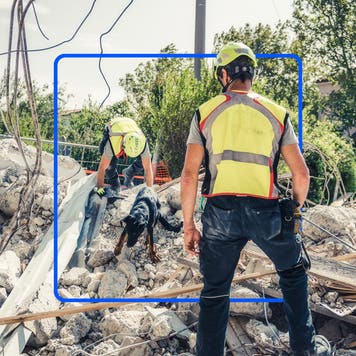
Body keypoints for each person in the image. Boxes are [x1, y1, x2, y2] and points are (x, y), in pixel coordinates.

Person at [181, 42, 331, 356]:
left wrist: (189, 226)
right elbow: (301, 175)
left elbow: (189, 174)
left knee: (216, 289)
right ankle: (305, 349)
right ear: (251, 73)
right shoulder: (276, 114)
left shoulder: (206, 113)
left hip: (220, 213)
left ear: (224, 74)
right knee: (292, 273)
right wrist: (295, 209)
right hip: (267, 212)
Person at [95, 117, 153, 197]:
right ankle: (115, 185)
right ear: (123, 146)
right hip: (114, 127)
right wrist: (99, 188)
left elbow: (148, 168)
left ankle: (129, 172)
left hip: (130, 125)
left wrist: (150, 191)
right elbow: (102, 168)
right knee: (109, 166)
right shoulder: (113, 142)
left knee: (143, 163)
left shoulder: (142, 143)